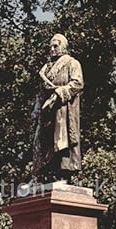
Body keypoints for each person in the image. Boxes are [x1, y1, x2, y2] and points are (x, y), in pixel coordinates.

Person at [32, 34, 84, 180]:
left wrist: (59, 92)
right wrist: (36, 109)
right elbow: (40, 92)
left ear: (64, 46)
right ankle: (48, 173)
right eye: (51, 46)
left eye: (56, 46)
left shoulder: (72, 63)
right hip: (47, 112)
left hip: (63, 109)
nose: (52, 49)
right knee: (46, 141)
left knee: (63, 139)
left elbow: (77, 83)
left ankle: (64, 173)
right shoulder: (46, 68)